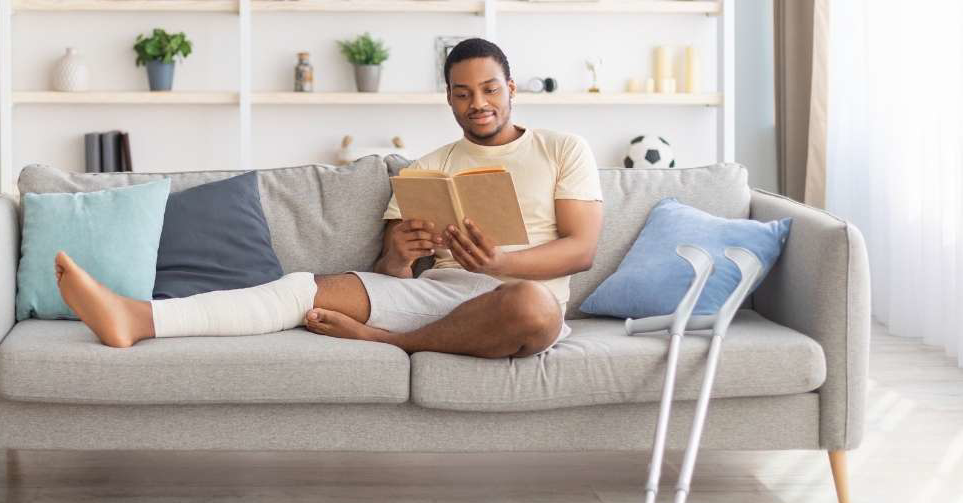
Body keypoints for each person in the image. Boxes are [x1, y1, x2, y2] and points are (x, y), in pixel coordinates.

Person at [54, 38, 604, 359]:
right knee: (301, 288)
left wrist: (503, 262)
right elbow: (393, 269)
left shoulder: (562, 148)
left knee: (529, 303)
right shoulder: (428, 167)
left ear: (511, 88)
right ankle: (139, 319)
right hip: (439, 294)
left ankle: (388, 342)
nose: (477, 103)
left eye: (488, 90)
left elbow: (581, 250)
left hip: (520, 298)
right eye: (462, 94)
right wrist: (404, 251)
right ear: (449, 99)